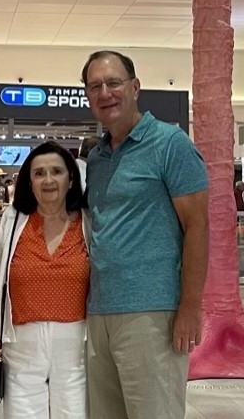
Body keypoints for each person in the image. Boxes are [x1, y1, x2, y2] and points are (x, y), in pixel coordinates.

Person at [81, 50, 209, 419]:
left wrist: (190, 308)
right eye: (95, 86)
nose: (105, 92)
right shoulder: (98, 157)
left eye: (114, 82)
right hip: (100, 312)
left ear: (135, 88)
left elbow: (198, 227)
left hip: (153, 313)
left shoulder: (170, 144)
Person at [0, 142, 89, 419]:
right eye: (39, 173)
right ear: (29, 181)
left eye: (56, 172)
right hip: (20, 351)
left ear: (71, 178)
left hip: (75, 351)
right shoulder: (12, 220)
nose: (48, 180)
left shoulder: (88, 222)